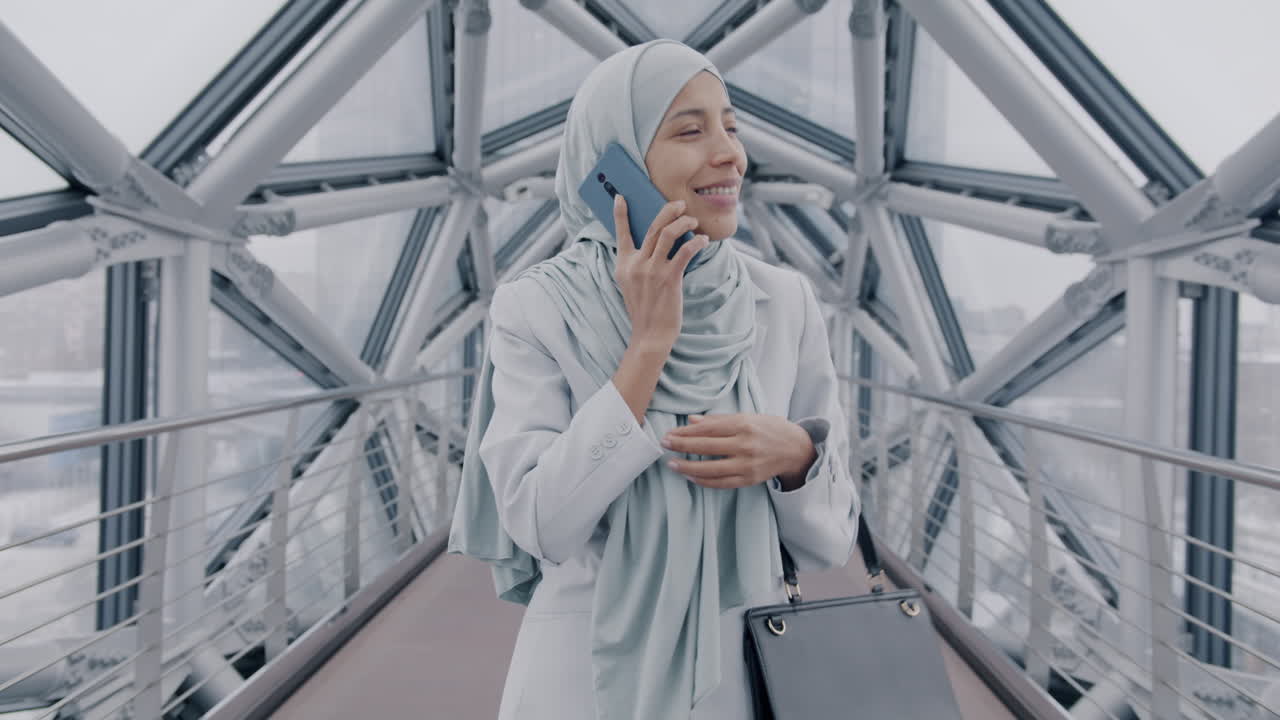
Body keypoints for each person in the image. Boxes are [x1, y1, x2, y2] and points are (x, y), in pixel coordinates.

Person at [448, 39, 860, 720]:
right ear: (614, 163)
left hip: (747, 665)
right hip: (582, 675)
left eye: (730, 124)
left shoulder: (782, 300)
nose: (728, 152)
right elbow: (540, 522)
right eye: (689, 130)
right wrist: (647, 348)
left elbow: (827, 543)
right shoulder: (539, 306)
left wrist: (796, 457)